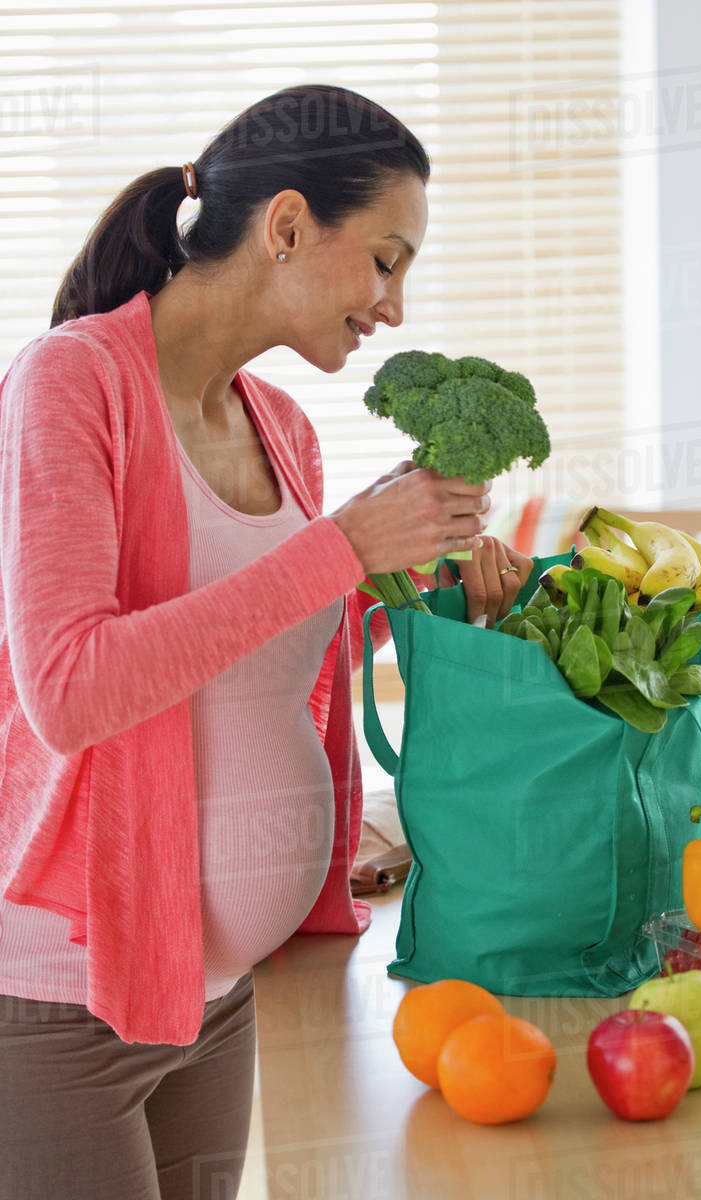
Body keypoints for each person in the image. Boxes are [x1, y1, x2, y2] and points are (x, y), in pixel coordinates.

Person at [0, 84, 533, 1199]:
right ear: (286, 226)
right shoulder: (73, 383)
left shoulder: (281, 428)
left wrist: (430, 598)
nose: (393, 306)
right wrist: (339, 549)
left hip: (221, 994)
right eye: (385, 259)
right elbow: (70, 688)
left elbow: (268, 663)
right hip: (64, 998)